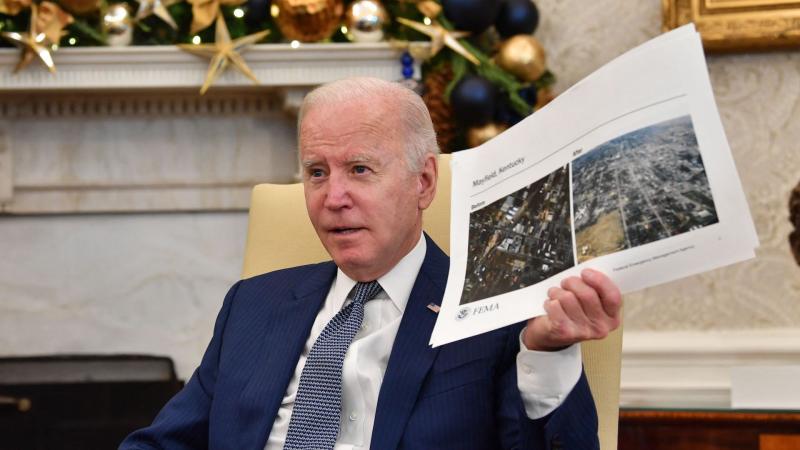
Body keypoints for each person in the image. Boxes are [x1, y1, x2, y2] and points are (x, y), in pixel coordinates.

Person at [121, 77, 622, 450]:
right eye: (317, 173)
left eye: (360, 170)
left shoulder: (490, 307)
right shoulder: (252, 304)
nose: (333, 197)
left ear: (423, 182)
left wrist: (546, 351)